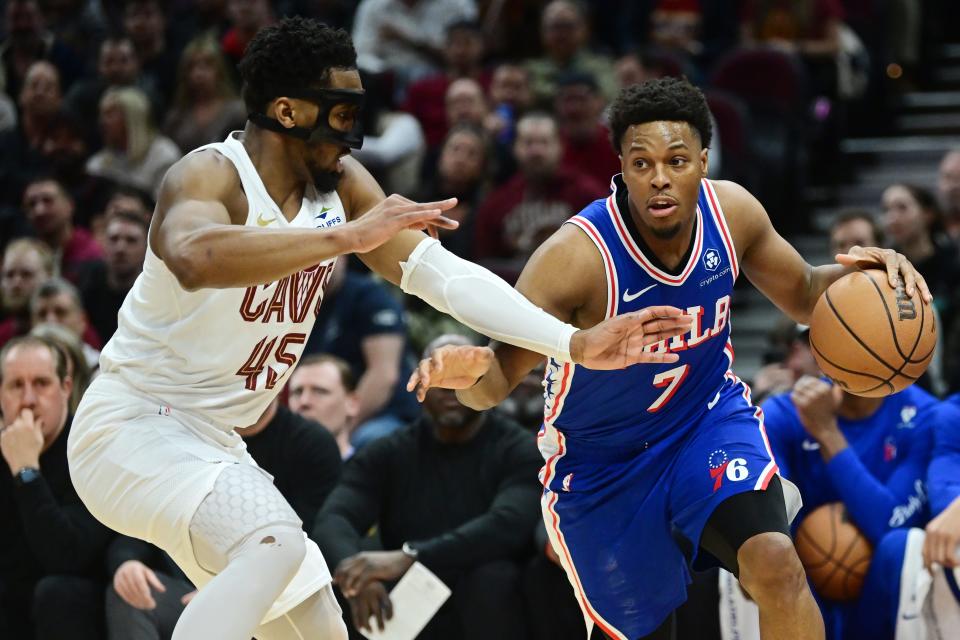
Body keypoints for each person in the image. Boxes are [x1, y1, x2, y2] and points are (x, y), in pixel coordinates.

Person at [66, 19, 690, 640]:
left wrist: (571, 342)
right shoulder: (211, 175)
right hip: (133, 423)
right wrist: (342, 238)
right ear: (286, 110)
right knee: (273, 545)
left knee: (317, 628)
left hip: (212, 442)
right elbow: (193, 257)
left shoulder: (338, 186)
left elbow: (440, 276)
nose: (352, 134)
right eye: (338, 114)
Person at [407, 77, 932, 640]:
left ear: (703, 161)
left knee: (776, 563)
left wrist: (872, 278)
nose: (659, 178)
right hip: (601, 464)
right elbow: (495, 382)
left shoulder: (731, 213)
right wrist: (468, 378)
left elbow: (805, 291)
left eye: (677, 160)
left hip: (705, 421)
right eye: (642, 163)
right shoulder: (574, 258)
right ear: (623, 167)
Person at [313, 333, 542, 639]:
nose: (450, 387)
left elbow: (509, 526)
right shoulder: (389, 451)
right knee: (344, 581)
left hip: (486, 598)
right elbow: (335, 517)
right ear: (418, 382)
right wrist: (359, 579)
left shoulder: (519, 448)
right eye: (438, 374)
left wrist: (411, 556)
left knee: (492, 579)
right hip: (408, 594)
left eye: (462, 374)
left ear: (485, 380)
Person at [105, 397, 343, 640]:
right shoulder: (188, 434)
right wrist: (127, 560)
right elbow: (153, 509)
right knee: (127, 593)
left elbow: (313, 529)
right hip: (186, 582)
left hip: (268, 585)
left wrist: (228, 591)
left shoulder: (309, 442)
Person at [0, 336, 113, 639]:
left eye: (41, 383)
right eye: (15, 386)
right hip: (14, 606)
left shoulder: (93, 451)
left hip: (80, 608)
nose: (28, 400)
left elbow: (65, 556)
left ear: (65, 388)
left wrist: (26, 471)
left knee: (56, 593)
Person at [288, 354, 360, 459]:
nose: (304, 401)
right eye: (297, 392)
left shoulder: (371, 474)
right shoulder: (266, 471)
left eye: (319, 391)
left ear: (352, 404)